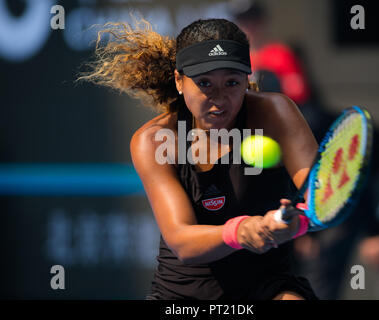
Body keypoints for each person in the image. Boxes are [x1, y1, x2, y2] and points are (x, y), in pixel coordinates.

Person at [79, 17, 319, 300]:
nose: (219, 98)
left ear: (247, 80)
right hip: (183, 296)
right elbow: (182, 241)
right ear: (179, 81)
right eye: (204, 83)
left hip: (268, 285)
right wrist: (242, 231)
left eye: (231, 82)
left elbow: (319, 196)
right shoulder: (153, 140)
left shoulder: (275, 113)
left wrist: (297, 222)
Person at [230, 0, 379, 299]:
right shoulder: (261, 128)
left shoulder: (306, 122)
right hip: (344, 178)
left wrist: (375, 232)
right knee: (321, 263)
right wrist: (302, 228)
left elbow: (354, 172)